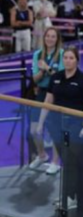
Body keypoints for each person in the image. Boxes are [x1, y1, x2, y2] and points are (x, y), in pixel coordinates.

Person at [39, 46, 83, 210]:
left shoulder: (81, 79)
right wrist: (42, 122)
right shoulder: (56, 77)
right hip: (57, 124)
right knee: (67, 161)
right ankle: (68, 196)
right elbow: (48, 100)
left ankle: (73, 197)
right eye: (65, 58)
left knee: (75, 162)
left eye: (71, 58)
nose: (68, 61)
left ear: (77, 60)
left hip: (76, 126)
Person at [29, 27, 64, 174]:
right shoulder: (37, 54)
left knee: (55, 130)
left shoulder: (62, 54)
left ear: (57, 39)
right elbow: (35, 79)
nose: (50, 39)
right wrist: (42, 71)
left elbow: (61, 76)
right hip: (42, 92)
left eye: (53, 37)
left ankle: (55, 162)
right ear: (44, 38)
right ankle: (42, 154)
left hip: (57, 94)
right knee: (34, 129)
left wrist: (47, 68)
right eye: (47, 36)